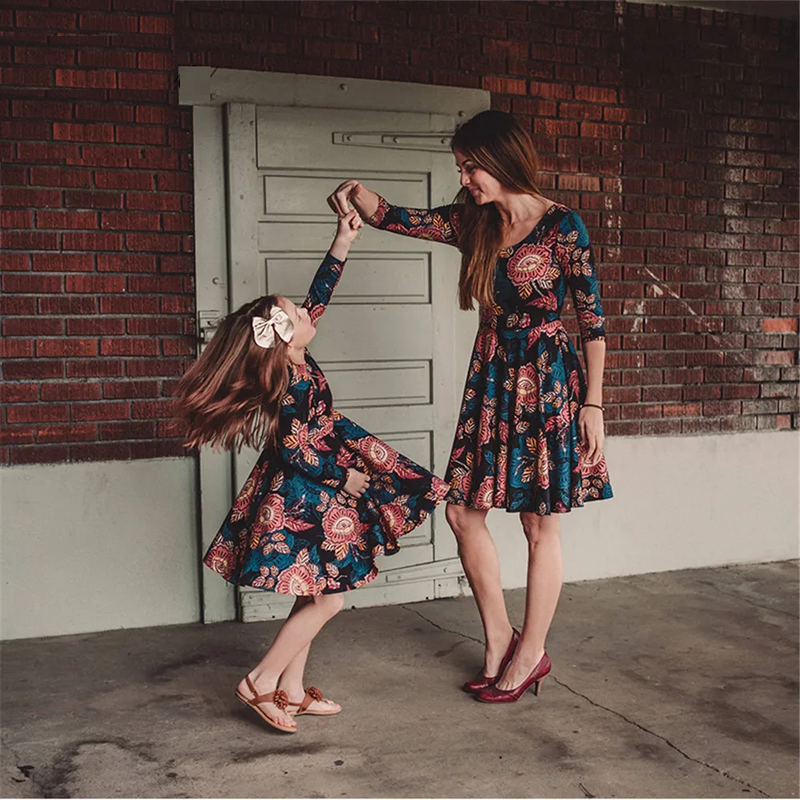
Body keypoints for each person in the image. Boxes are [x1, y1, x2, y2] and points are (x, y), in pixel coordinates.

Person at [326, 110, 613, 703]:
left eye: (470, 166)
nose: (464, 178)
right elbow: (398, 217)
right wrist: (355, 192)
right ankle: (498, 639)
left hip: (548, 381)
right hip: (491, 380)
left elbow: (594, 323)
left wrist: (594, 404)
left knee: (539, 523)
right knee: (462, 512)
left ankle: (530, 653)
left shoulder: (564, 226)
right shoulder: (472, 221)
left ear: (502, 159)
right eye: (460, 167)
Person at [175, 210, 450, 732]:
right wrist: (341, 478)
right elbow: (291, 450)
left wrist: (342, 240)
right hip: (305, 492)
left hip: (313, 486)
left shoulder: (296, 354)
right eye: (296, 312)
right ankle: (260, 681)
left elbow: (319, 296)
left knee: (315, 588)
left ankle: (292, 691)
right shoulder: (290, 381)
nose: (307, 311)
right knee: (330, 598)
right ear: (284, 336)